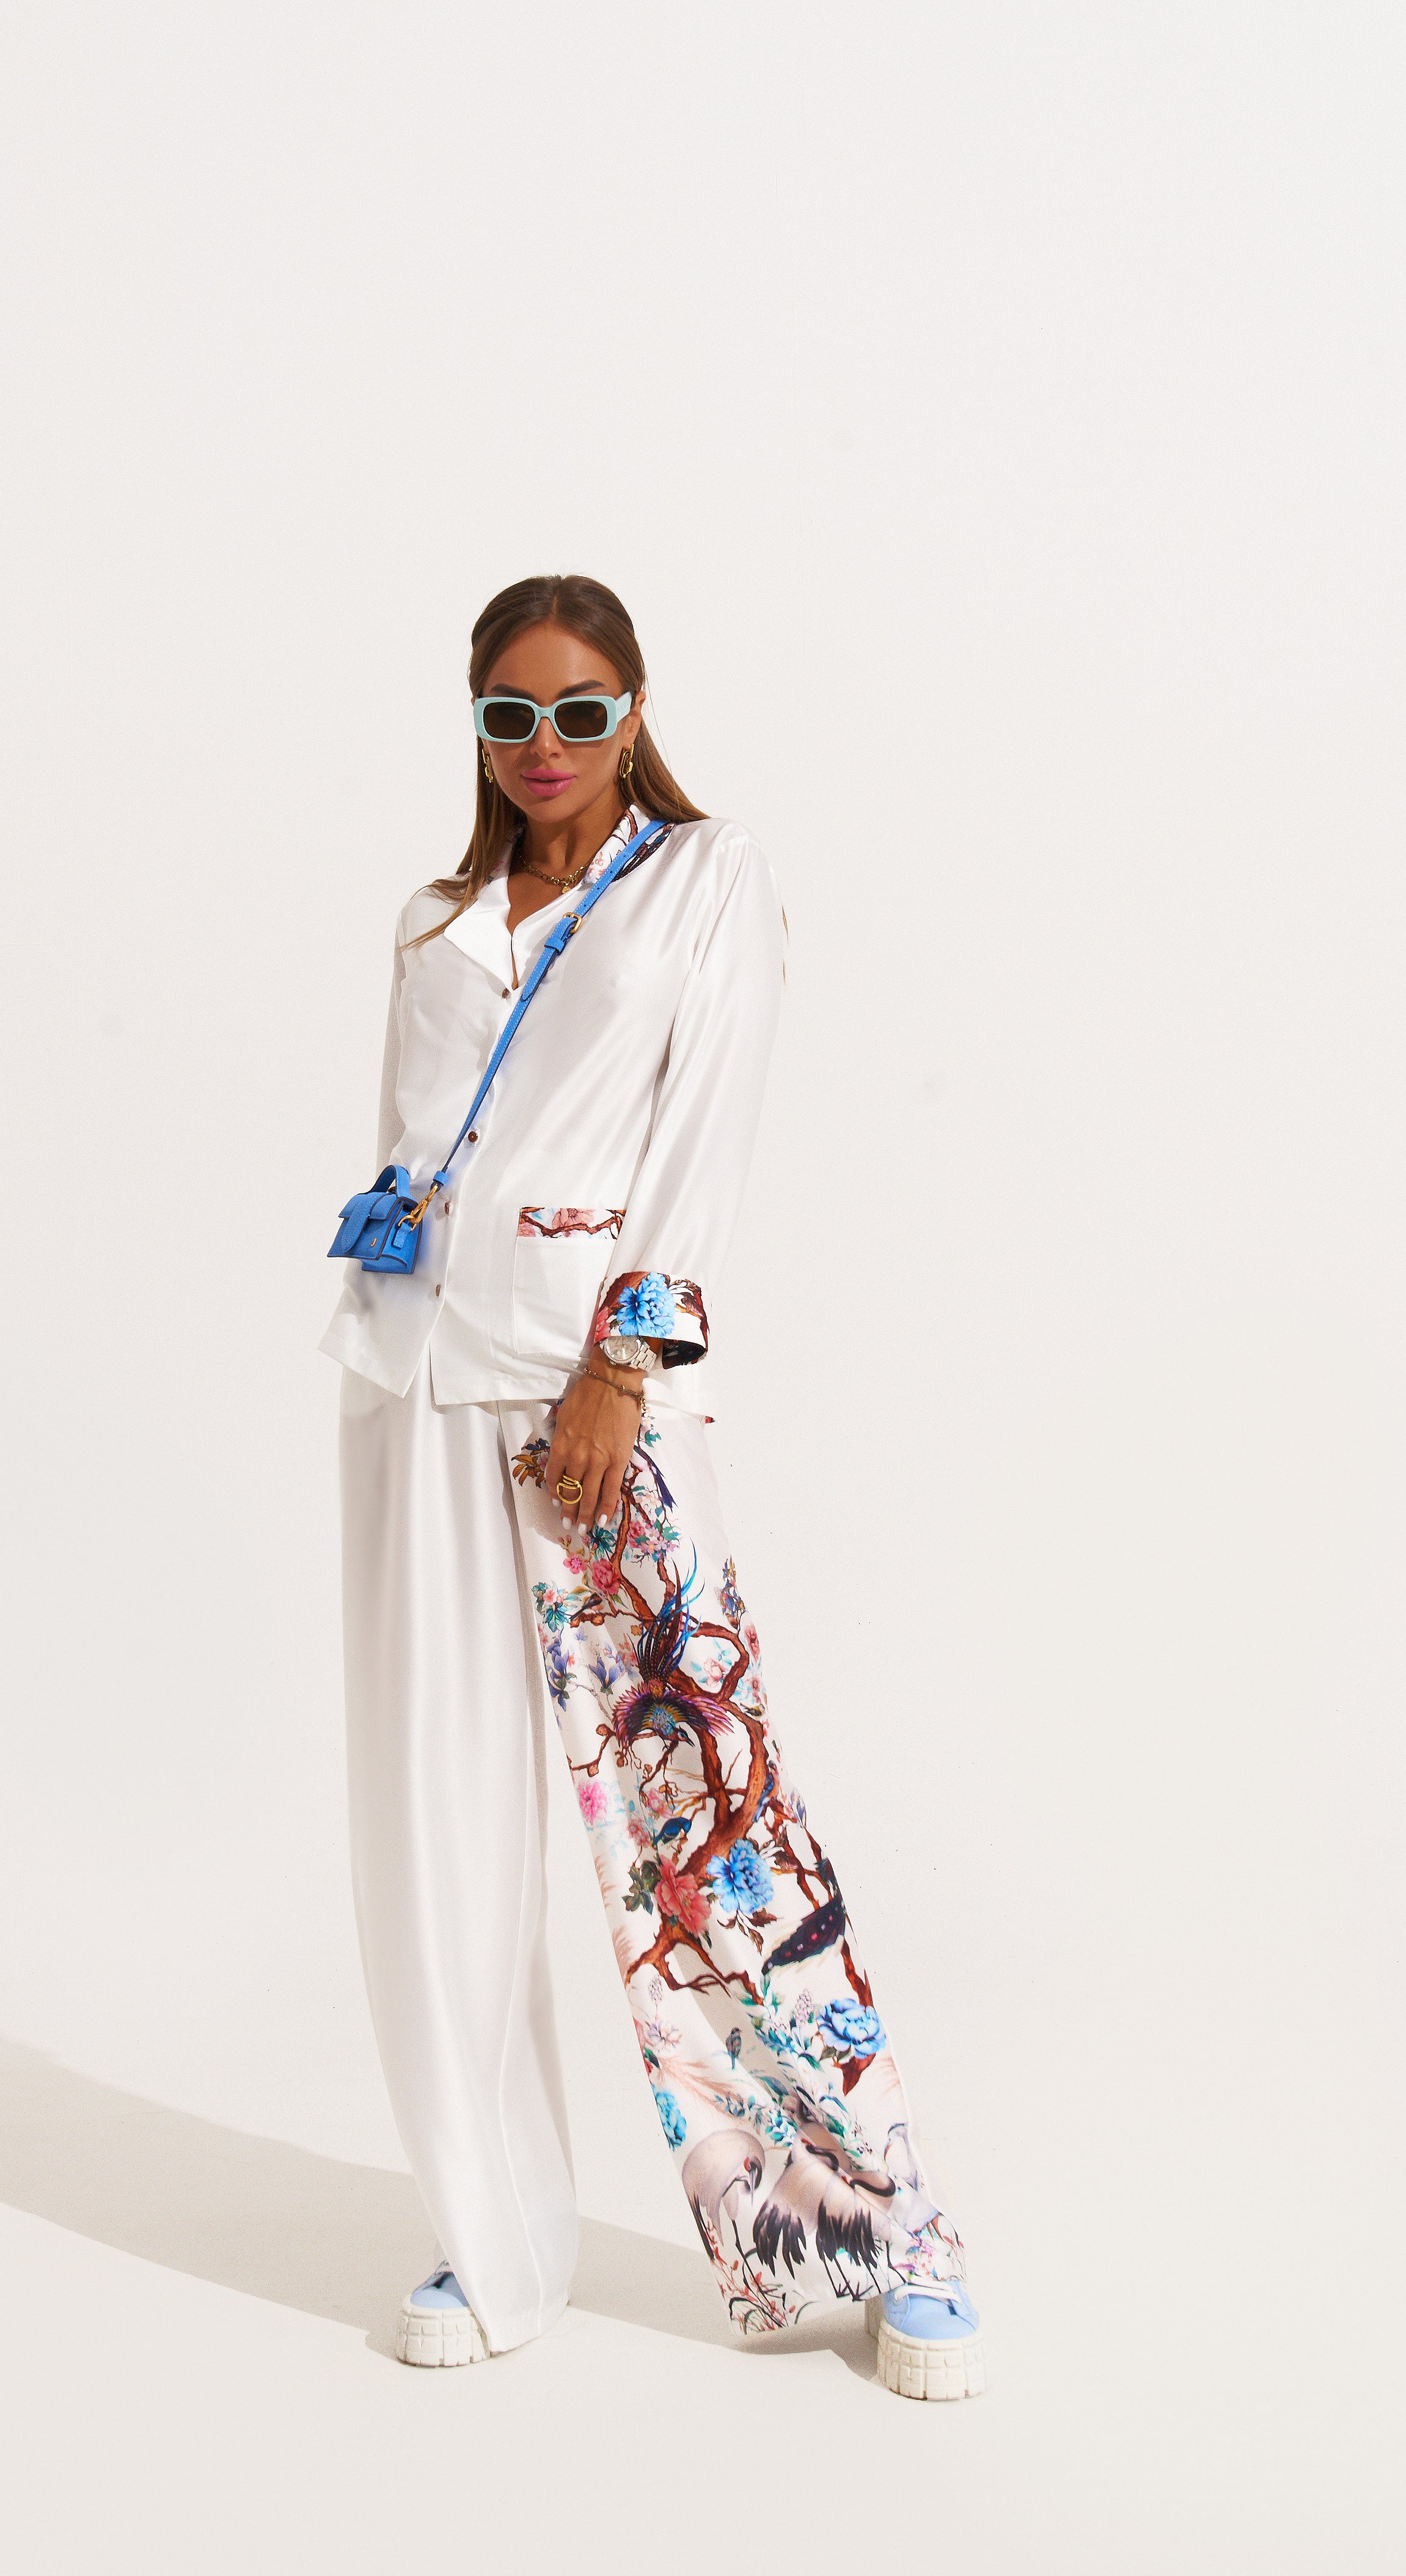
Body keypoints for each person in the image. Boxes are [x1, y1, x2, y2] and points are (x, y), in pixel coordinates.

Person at [320, 574, 983, 2401]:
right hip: (410, 1387)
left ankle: (883, 2236)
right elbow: (412, 1147)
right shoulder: (435, 918)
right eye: (510, 716)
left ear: (634, 710)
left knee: (704, 1826)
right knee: (436, 1829)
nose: (546, 746)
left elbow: (706, 1138)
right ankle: (495, 2232)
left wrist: (627, 1361)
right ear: (477, 730)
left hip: (591, 1399)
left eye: (581, 709)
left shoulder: (706, 879)